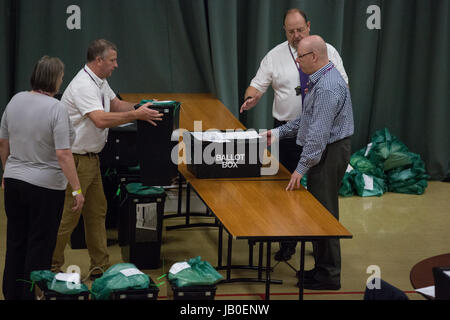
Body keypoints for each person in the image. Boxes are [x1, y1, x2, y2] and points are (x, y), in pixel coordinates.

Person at [240, 8, 349, 261]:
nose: (296, 35)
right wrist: (251, 97)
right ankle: (288, 242)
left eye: (300, 30)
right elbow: (257, 85)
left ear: (309, 26)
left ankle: (322, 247)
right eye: (291, 32)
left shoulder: (326, 52)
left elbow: (340, 87)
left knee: (322, 196)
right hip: (287, 130)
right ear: (285, 31)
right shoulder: (274, 56)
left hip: (322, 133)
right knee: (286, 192)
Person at [51, 39, 163, 278]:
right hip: (77, 162)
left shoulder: (100, 81)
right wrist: (137, 115)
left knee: (97, 212)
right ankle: (49, 268)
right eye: (112, 60)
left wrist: (141, 106)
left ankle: (99, 268)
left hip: (91, 160)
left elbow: (115, 104)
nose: (116, 65)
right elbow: (100, 119)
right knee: (68, 218)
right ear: (98, 60)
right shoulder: (83, 85)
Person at [264, 35, 354, 290]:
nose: (297, 61)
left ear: (313, 57)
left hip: (330, 152)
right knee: (320, 212)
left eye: (300, 57)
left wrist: (300, 169)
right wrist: (277, 133)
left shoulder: (326, 87)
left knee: (324, 214)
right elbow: (306, 120)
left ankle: (329, 276)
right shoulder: (322, 79)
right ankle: (322, 269)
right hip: (327, 149)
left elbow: (317, 137)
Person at [0, 56, 84, 300]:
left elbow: (3, 142)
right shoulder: (56, 108)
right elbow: (63, 153)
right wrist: (77, 190)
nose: (61, 81)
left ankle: (12, 294)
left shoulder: (15, 100)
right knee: (39, 245)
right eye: (60, 77)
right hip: (46, 188)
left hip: (14, 182)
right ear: (54, 80)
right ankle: (31, 296)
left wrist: (7, 172)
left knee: (15, 242)